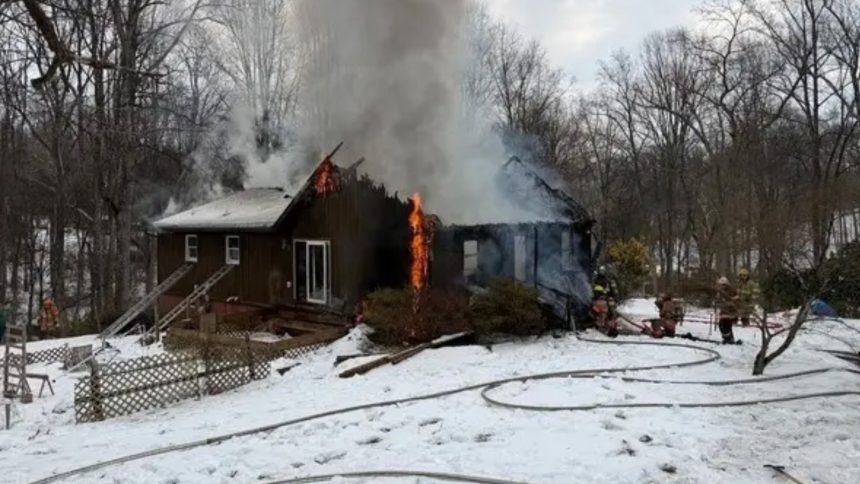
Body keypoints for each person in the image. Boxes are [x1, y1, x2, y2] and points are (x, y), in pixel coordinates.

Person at [715, 277, 739, 344]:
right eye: (721, 285)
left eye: (724, 284)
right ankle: (727, 338)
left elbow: (736, 300)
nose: (722, 286)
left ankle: (729, 339)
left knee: (726, 325)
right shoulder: (720, 291)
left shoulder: (732, 291)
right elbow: (718, 300)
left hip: (731, 311)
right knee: (722, 325)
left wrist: (729, 304)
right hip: (723, 310)